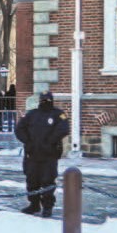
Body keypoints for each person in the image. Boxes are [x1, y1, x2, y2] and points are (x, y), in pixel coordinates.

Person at [14, 90, 70, 218]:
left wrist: (49, 142)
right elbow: (19, 129)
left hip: (49, 155)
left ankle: (47, 207)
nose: (45, 102)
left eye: (48, 100)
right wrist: (28, 141)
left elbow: (63, 129)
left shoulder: (58, 114)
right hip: (32, 154)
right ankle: (34, 205)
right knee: (32, 181)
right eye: (43, 100)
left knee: (48, 181)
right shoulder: (32, 114)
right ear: (39, 101)